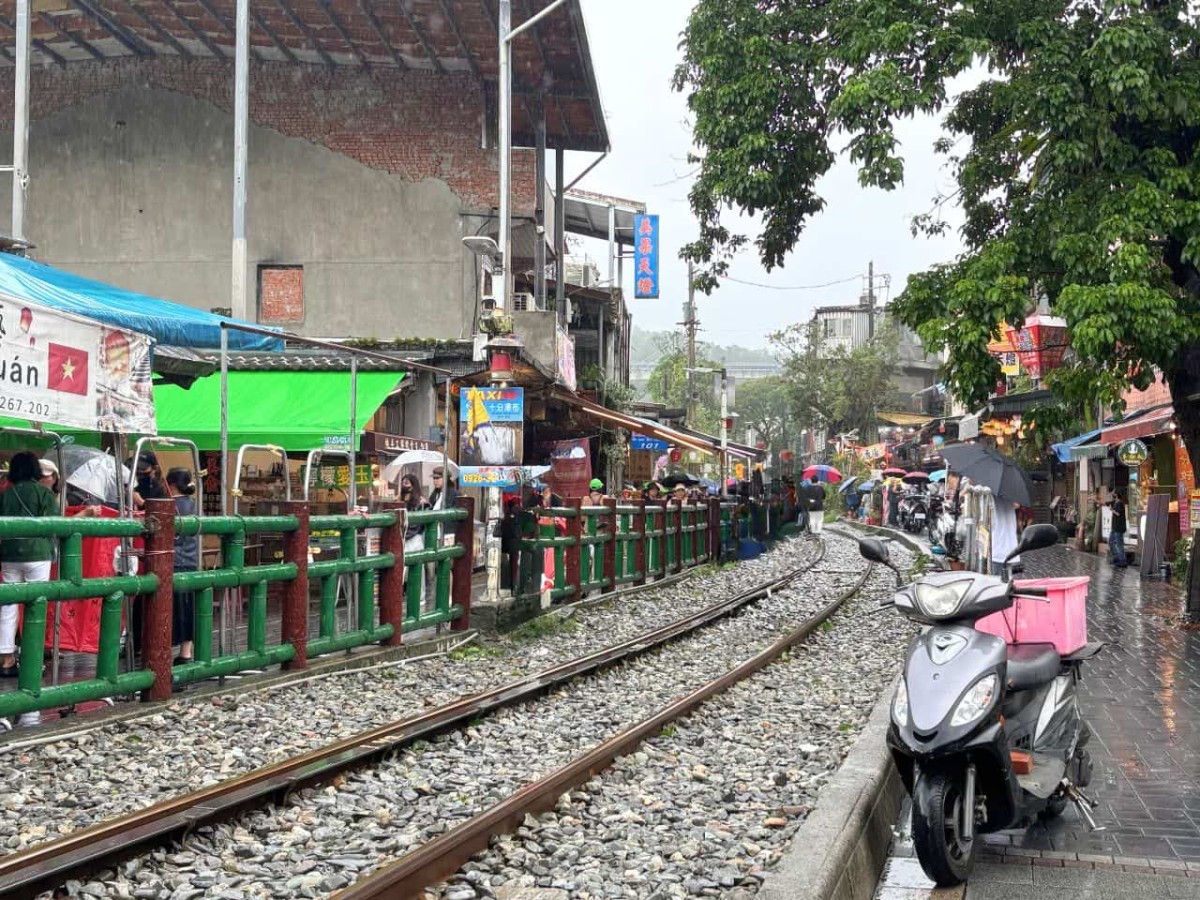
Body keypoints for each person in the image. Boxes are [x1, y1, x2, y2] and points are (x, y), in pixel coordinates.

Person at [0, 452, 58, 682]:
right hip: (38, 553)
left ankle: (6, 658)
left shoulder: (5, 495)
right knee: (36, 605)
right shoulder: (43, 493)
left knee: (8, 605)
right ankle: (33, 659)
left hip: (10, 554)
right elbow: (53, 526)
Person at [166, 469, 199, 667]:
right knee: (187, 609)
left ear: (170, 484)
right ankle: (186, 652)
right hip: (191, 561)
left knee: (170, 610)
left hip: (173, 563)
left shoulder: (169, 506)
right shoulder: (194, 505)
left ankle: (163, 650)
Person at [989, 498, 1021, 576]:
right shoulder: (1010, 498)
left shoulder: (991, 501)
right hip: (1010, 551)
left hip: (996, 550)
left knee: (994, 583)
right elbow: (1017, 505)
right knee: (1007, 583)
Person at [1109, 490, 1128, 569]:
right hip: (1115, 527)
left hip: (1119, 527)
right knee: (1111, 542)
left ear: (1116, 495)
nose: (1112, 495)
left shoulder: (1120, 504)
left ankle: (1122, 561)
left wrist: (1112, 510)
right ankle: (1116, 557)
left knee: (1119, 544)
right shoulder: (1116, 503)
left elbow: (1118, 514)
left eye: (1114, 494)